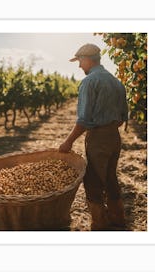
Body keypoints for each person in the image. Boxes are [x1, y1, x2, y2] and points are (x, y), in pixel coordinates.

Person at [59, 43, 128, 230]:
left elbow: (84, 121)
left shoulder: (90, 82)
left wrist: (68, 142)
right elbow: (123, 118)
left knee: (93, 180)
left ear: (88, 59)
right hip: (114, 136)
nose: (80, 66)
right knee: (111, 176)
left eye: (80, 61)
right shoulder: (117, 82)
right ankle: (118, 217)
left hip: (98, 137)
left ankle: (100, 223)